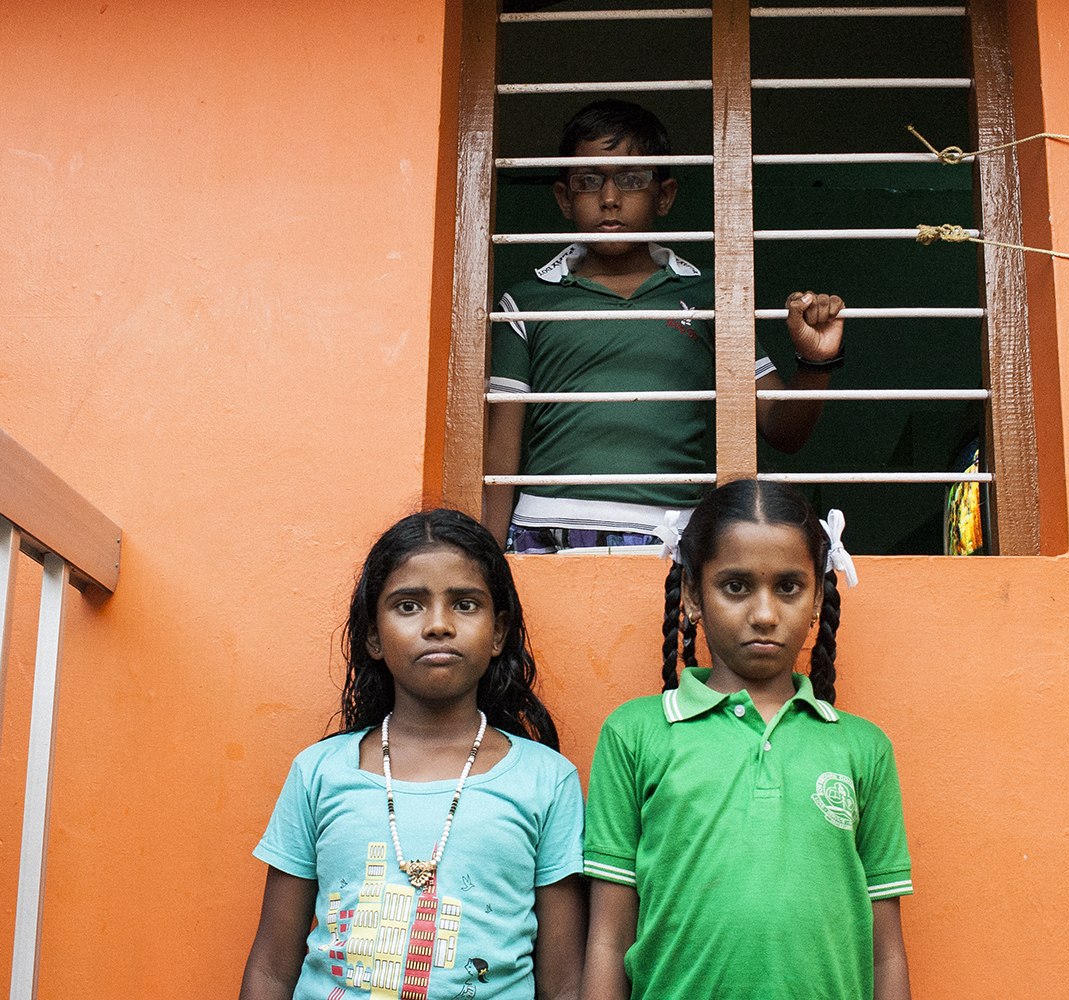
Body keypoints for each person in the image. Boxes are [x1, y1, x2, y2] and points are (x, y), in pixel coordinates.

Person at [581, 480, 914, 1000]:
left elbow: (886, 951)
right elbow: (608, 938)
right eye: (736, 586)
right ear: (693, 595)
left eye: (789, 587)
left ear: (818, 597)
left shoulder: (862, 747)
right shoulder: (635, 734)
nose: (764, 614)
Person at [240, 510, 587, 1000]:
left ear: (498, 633)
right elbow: (272, 970)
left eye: (465, 604)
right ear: (373, 636)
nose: (438, 625)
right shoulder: (318, 772)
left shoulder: (546, 780)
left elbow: (564, 983)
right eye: (408, 606)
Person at [484, 100, 848, 553]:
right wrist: (488, 560)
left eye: (632, 179)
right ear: (564, 197)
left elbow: (781, 431)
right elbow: (499, 451)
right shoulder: (525, 303)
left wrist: (815, 363)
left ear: (665, 195)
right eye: (589, 181)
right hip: (545, 530)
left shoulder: (710, 296)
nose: (610, 197)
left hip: (668, 537)